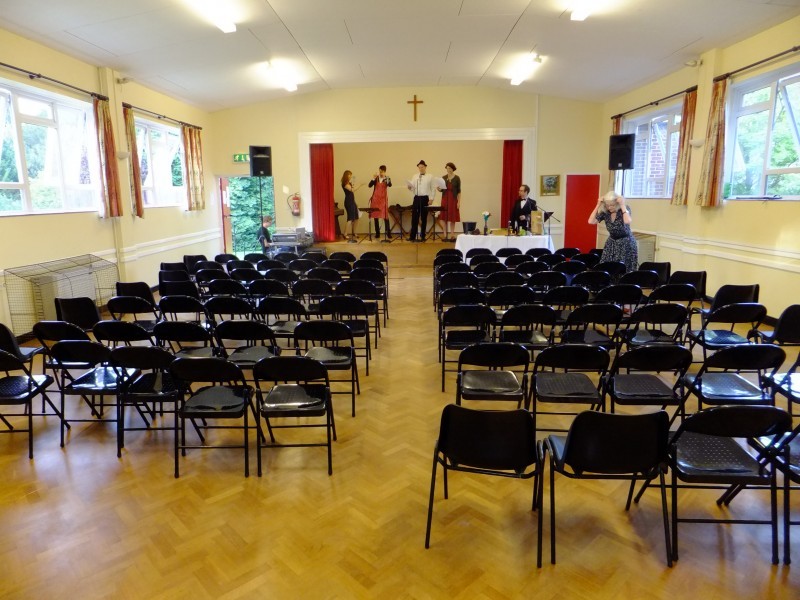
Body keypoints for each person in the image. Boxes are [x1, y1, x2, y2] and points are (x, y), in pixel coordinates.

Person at [588, 191, 638, 272]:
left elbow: (627, 221)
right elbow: (591, 221)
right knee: (607, 267)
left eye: (612, 205)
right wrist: (598, 205)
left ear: (617, 204)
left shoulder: (624, 209)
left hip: (626, 242)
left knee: (623, 268)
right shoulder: (605, 213)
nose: (610, 207)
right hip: (612, 243)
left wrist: (622, 205)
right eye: (607, 205)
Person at [406, 160, 436, 242]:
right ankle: (412, 236)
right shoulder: (415, 176)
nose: (421, 168)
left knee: (424, 217)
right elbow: (412, 187)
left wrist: (431, 198)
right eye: (419, 167)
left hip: (425, 198)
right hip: (416, 198)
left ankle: (423, 235)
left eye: (422, 167)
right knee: (414, 217)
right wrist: (409, 187)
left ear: (425, 167)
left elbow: (433, 188)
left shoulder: (430, 176)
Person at [368, 165, 392, 240]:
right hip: (375, 199)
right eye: (380, 171)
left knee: (385, 216)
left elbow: (390, 185)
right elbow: (369, 185)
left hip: (383, 199)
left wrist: (387, 179)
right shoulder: (376, 178)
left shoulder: (387, 178)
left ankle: (388, 233)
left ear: (385, 171)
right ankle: (377, 233)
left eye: (382, 172)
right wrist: (373, 178)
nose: (380, 173)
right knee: (375, 216)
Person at [439, 162, 461, 241]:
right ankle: (445, 234)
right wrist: (438, 188)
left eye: (450, 168)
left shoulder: (457, 178)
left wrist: (459, 202)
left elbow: (459, 191)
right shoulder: (444, 177)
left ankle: (452, 235)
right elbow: (441, 189)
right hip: (445, 199)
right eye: (447, 168)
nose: (448, 170)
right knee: (443, 217)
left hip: (453, 199)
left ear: (453, 169)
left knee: (452, 217)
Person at [341, 170, 363, 243]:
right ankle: (345, 234)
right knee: (350, 218)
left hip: (352, 202)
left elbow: (352, 195)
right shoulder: (344, 183)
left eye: (351, 175)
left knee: (356, 218)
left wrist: (355, 203)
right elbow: (352, 190)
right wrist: (360, 185)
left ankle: (354, 232)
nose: (350, 176)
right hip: (348, 202)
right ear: (346, 175)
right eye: (349, 175)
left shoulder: (349, 183)